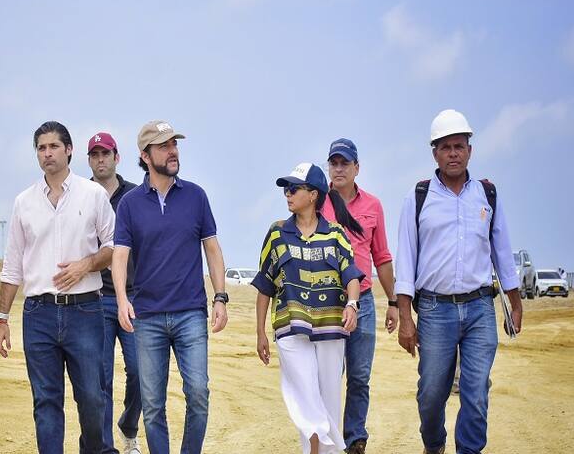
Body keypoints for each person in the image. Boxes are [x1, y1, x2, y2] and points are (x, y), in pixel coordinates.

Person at [394, 109, 522, 454]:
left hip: (480, 307)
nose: (453, 153)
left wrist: (515, 302)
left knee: (476, 392)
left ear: (470, 150)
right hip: (435, 310)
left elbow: (502, 252)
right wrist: (406, 318)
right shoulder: (418, 197)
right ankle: (434, 444)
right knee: (431, 394)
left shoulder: (487, 195)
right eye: (446, 147)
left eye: (459, 146)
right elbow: (406, 260)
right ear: (435, 153)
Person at [0, 121, 115, 453]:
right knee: (46, 401)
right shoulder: (24, 202)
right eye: (41, 148)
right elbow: (12, 265)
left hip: (85, 310)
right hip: (39, 314)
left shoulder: (93, 195)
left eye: (53, 146)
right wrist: (2, 318)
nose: (47, 153)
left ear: (69, 150)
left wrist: (86, 265)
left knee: (92, 397)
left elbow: (114, 246)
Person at [112, 120, 229, 454]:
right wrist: (121, 300)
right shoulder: (130, 204)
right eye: (163, 146)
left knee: (199, 394)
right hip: (147, 316)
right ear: (145, 156)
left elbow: (212, 249)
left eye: (174, 144)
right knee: (152, 405)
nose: (172, 151)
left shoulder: (196, 196)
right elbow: (120, 255)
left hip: (190, 313)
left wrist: (220, 297)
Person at [253, 162, 363, 454]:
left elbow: (351, 274)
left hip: (331, 327)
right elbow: (265, 285)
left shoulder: (336, 234)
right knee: (306, 395)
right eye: (286, 189)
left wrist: (352, 305)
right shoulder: (277, 233)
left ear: (313, 195)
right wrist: (260, 332)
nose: (287, 194)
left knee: (328, 398)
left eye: (294, 189)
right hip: (290, 328)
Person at [320, 139, 395, 454]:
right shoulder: (317, 201)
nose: (338, 169)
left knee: (360, 376)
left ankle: (355, 440)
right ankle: (326, 438)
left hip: (363, 302)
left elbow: (382, 256)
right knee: (328, 377)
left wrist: (393, 301)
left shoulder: (373, 205)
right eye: (334, 163)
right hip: (325, 304)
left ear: (356, 168)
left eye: (344, 163)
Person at [86, 132, 142, 454]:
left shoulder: (135, 196)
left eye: (105, 153)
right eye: (95, 154)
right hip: (95, 299)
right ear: (89, 160)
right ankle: (106, 447)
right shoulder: (81, 196)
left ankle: (129, 426)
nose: (100, 159)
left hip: (133, 298)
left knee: (140, 372)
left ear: (116, 157)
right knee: (101, 378)